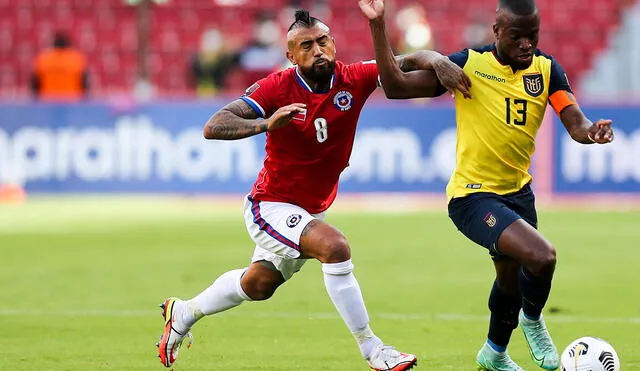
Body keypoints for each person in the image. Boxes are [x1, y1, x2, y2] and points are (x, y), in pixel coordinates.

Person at [156, 9, 468, 371]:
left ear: (333, 43)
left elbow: (407, 60)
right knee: (335, 248)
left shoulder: (353, 77)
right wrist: (265, 123)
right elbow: (214, 125)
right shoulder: (276, 86)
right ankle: (374, 349)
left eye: (323, 41)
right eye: (306, 45)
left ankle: (184, 312)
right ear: (291, 56)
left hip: (309, 209)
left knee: (258, 285)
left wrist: (438, 60)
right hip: (270, 206)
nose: (317, 50)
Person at [357, 0, 615, 370]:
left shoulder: (545, 70)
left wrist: (593, 132)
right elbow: (396, 85)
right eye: (517, 37)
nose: (527, 44)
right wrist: (392, 33)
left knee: (510, 281)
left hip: (518, 193)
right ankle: (531, 320)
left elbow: (575, 123)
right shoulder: (470, 64)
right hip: (473, 196)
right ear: (496, 32)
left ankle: (493, 355)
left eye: (533, 36)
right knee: (542, 258)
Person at [31, 32, 89, 100]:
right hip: (71, 101)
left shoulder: (42, 59)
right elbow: (84, 84)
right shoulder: (77, 59)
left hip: (48, 101)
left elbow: (35, 85)